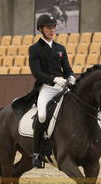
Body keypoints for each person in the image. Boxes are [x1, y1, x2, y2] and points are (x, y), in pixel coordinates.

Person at [29, 14, 75, 168]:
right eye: (48, 27)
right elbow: (37, 73)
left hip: (62, 87)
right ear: (41, 29)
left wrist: (71, 77)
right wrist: (54, 79)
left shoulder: (60, 48)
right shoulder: (34, 49)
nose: (52, 30)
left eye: (53, 27)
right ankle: (37, 153)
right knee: (42, 115)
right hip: (47, 88)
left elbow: (67, 69)